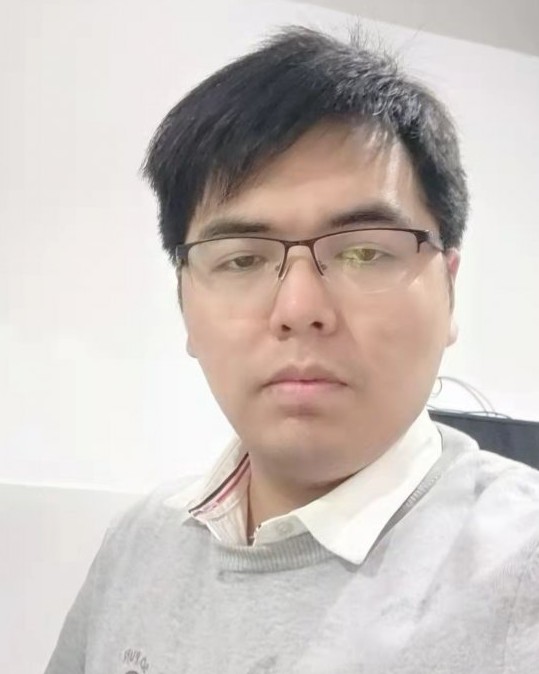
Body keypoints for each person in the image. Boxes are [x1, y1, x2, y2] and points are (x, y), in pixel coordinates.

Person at [45, 26, 539, 674]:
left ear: (448, 289)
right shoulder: (137, 544)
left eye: (364, 252)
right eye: (242, 258)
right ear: (184, 306)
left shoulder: (520, 569)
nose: (299, 309)